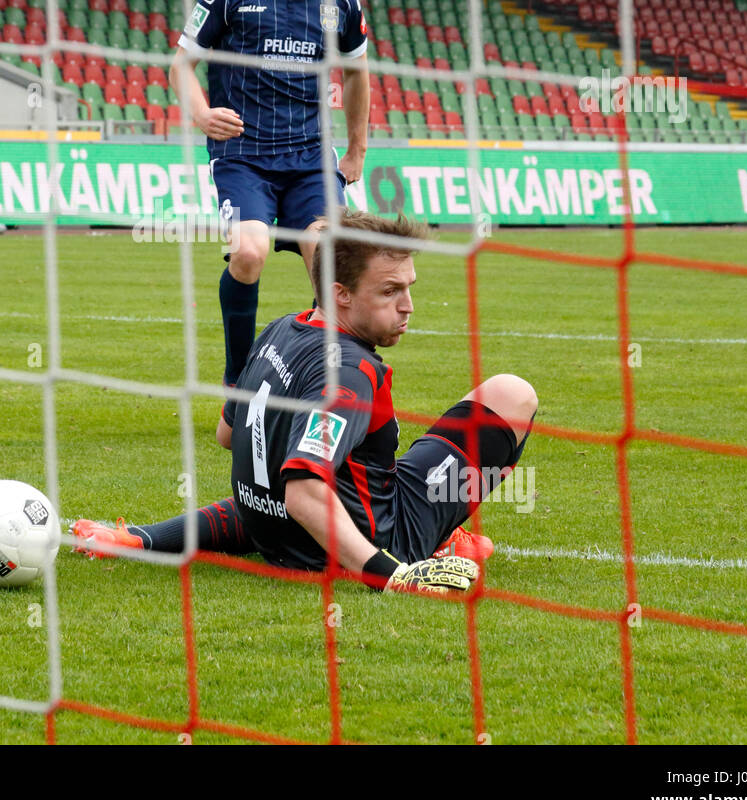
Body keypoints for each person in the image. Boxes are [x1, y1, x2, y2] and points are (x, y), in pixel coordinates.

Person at [71, 211, 539, 594]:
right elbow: (303, 493)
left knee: (342, 461)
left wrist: (141, 536)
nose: (408, 306)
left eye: (409, 287)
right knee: (511, 395)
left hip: (271, 529)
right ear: (341, 294)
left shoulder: (278, 329)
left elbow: (227, 435)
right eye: (391, 291)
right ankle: (433, 541)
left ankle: (138, 538)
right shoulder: (352, 374)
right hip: (367, 542)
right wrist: (391, 573)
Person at [170, 0, 370, 392]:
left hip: (309, 158)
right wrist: (201, 113)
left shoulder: (339, 1)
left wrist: (356, 150)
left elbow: (357, 75)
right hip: (243, 155)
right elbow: (182, 63)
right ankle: (238, 379)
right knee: (250, 253)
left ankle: (332, 382)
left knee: (331, 265)